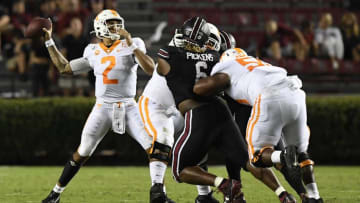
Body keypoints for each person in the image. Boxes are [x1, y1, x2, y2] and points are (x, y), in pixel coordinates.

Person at [41, 9, 174, 203]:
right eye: (111, 24)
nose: (116, 28)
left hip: (129, 106)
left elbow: (150, 68)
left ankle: (158, 194)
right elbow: (65, 68)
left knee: (155, 148)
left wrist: (130, 43)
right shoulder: (93, 50)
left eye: (117, 23)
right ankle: (55, 194)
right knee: (83, 151)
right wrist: (49, 42)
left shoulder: (133, 43)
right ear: (100, 27)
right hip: (102, 107)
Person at [193, 48, 323, 203]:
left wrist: (194, 89)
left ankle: (283, 156)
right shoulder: (258, 63)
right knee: (302, 155)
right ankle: (314, 196)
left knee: (257, 156)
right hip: (296, 92)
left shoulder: (225, 66)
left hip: (270, 96)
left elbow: (209, 86)